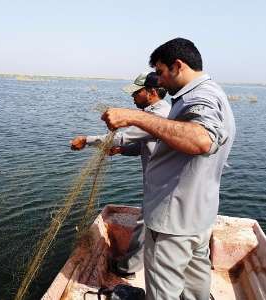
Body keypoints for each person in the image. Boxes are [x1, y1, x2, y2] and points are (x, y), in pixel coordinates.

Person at [101, 38, 236, 300]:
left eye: (161, 73)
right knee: (196, 286)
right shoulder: (212, 92)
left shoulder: (200, 97)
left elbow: (201, 139)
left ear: (177, 65)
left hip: (173, 221)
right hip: (199, 216)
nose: (159, 82)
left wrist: (134, 116)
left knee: (163, 292)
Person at [70, 72, 170, 278]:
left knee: (147, 226)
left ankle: (127, 269)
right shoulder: (156, 111)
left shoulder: (158, 116)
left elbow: (123, 138)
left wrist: (86, 140)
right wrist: (123, 151)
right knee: (150, 224)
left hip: (164, 186)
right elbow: (146, 144)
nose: (132, 97)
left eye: (136, 92)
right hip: (159, 183)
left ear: (151, 92)